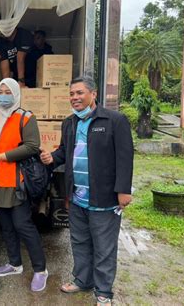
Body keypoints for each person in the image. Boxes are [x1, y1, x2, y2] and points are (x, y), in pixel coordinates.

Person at [40, 76, 133, 306]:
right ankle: (83, 280)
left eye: (80, 93)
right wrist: (52, 157)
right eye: (71, 94)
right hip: (78, 196)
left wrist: (123, 190)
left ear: (94, 94)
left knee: (104, 247)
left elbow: (125, 157)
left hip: (104, 198)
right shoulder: (69, 123)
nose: (75, 98)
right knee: (80, 242)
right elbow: (64, 151)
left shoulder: (114, 121)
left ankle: (103, 291)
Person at [0, 78, 48, 292]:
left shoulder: (26, 118)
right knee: (6, 226)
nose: (3, 95)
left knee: (23, 225)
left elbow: (32, 146)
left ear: (16, 94)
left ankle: (40, 270)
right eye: (0, 91)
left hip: (17, 181)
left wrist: (0, 157)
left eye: (8, 91)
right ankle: (14, 264)